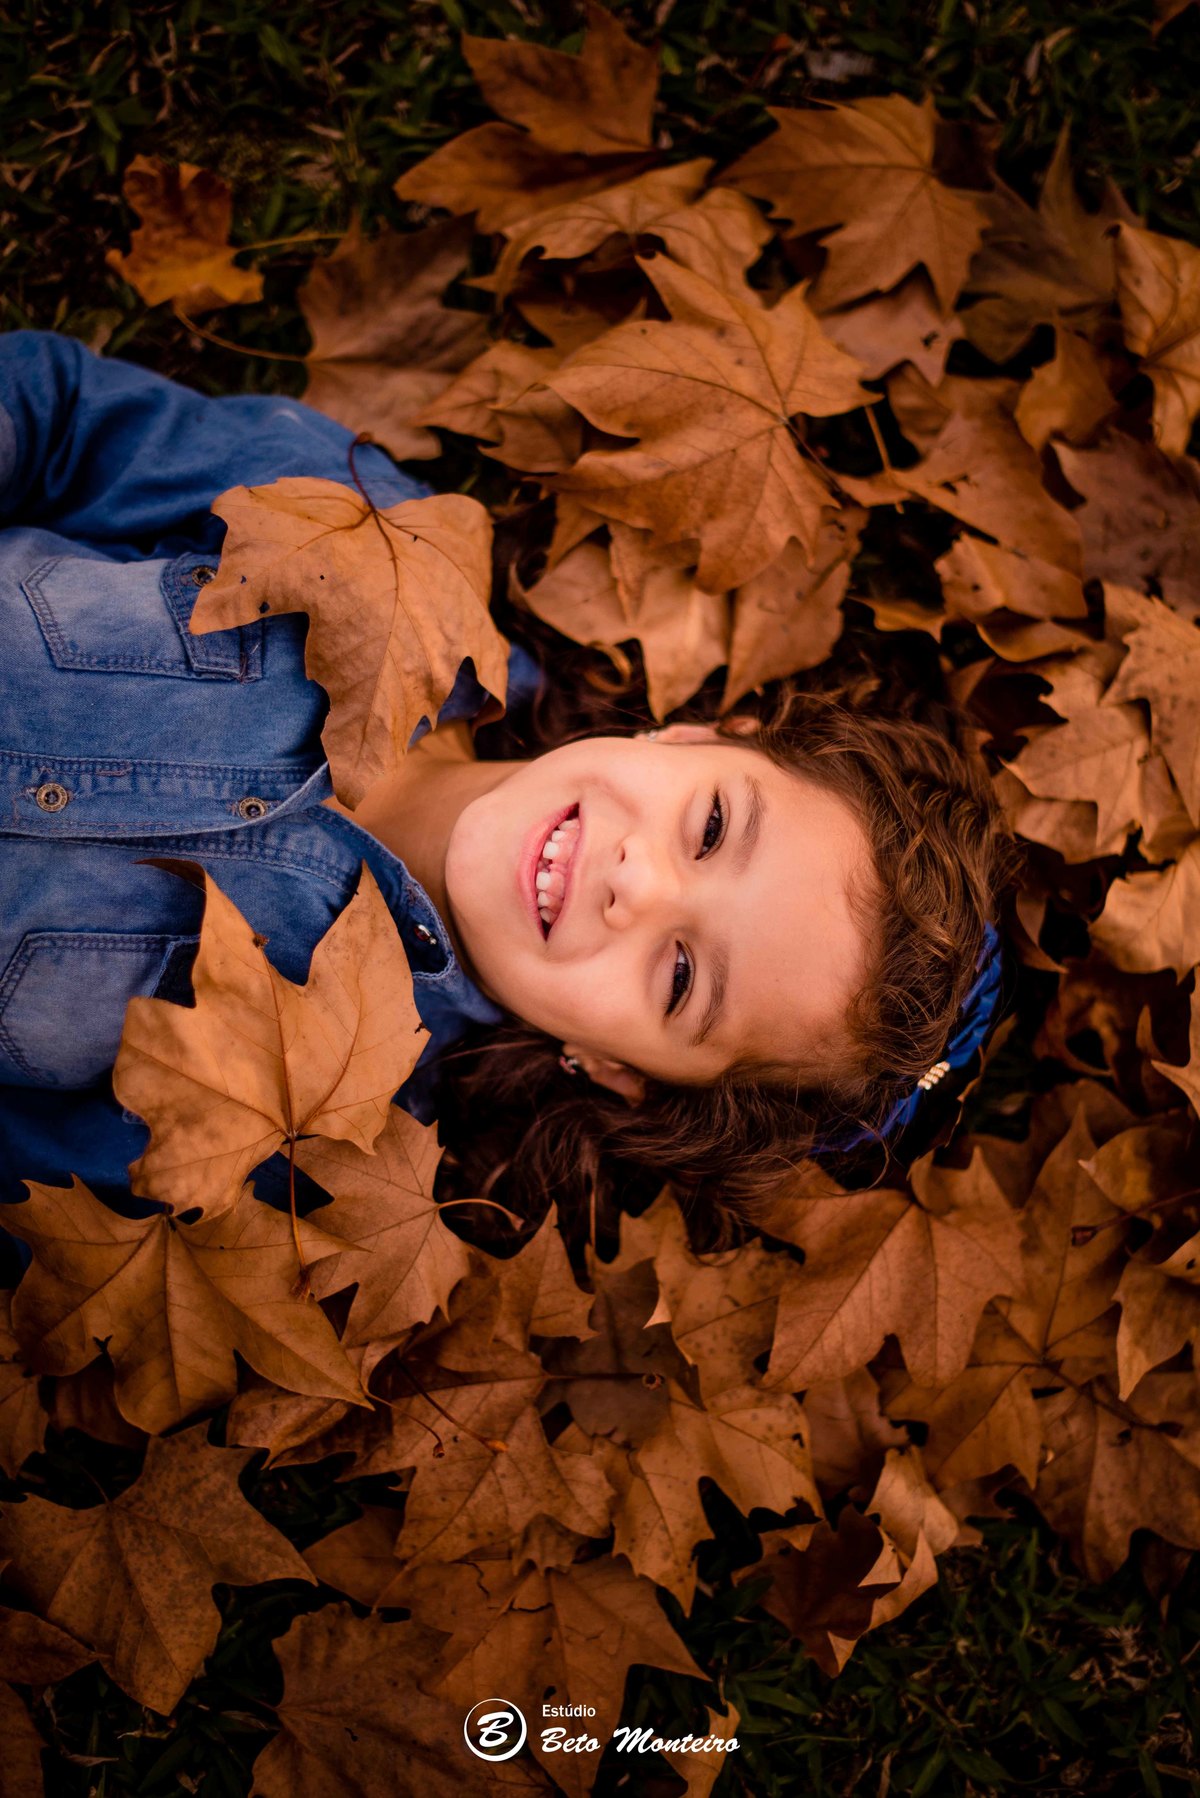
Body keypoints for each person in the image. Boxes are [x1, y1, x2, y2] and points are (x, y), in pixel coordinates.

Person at [0, 331, 1016, 1246]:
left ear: (617, 1069)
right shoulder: (403, 558)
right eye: (710, 826)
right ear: (699, 735)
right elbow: (63, 420)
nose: (638, 885)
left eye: (679, 978)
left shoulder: (312, 1129)